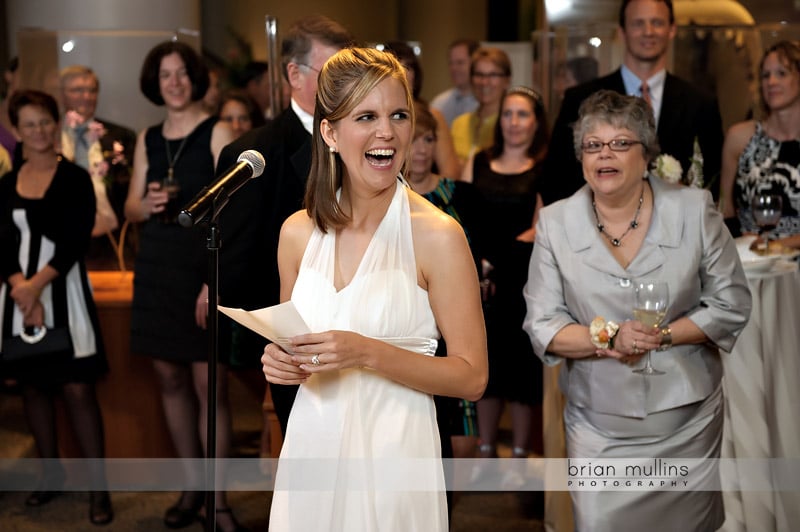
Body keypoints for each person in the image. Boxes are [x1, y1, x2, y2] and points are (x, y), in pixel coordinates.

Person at [261, 46, 488, 532]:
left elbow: (472, 378)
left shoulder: (438, 236)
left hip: (396, 455)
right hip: (311, 448)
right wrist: (280, 362)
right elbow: (293, 345)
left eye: (399, 115)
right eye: (366, 116)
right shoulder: (297, 233)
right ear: (330, 132)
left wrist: (367, 353)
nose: (387, 131)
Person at [523, 90, 751, 531]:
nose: (604, 154)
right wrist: (608, 336)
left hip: (687, 422)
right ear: (581, 156)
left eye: (620, 143)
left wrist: (662, 336)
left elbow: (731, 303)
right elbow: (543, 324)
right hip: (598, 426)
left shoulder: (693, 210)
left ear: (646, 153)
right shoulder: (554, 223)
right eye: (593, 145)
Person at [122, 41, 242, 532]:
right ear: (155, 83)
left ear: (194, 79)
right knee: (169, 380)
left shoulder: (217, 132)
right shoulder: (147, 136)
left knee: (207, 386)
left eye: (181, 73)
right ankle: (192, 487)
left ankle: (221, 500)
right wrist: (145, 204)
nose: (173, 82)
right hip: (156, 265)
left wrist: (212, 285)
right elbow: (129, 207)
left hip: (200, 268)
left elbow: (235, 210)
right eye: (164, 75)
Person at [216, 14, 354, 437]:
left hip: (364, 328)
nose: (344, 83)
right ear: (294, 74)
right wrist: (282, 338)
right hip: (297, 338)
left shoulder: (363, 136)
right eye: (331, 71)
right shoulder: (254, 152)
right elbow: (240, 262)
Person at [0, 89, 112, 525]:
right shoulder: (6, 184)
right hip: (16, 297)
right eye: (29, 124)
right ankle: (51, 475)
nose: (40, 131)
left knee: (77, 389)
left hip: (63, 293)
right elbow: (1, 243)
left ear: (55, 124)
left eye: (45, 121)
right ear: (16, 130)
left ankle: (100, 489)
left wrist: (36, 288)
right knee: (33, 387)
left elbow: (73, 241)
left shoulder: (75, 179)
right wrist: (19, 288)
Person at [540, 0, 724, 206]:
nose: (648, 31)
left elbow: (713, 182)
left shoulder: (701, 104)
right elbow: (556, 179)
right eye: (638, 23)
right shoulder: (580, 100)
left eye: (657, 22)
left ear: (672, 30)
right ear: (621, 32)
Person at [461, 86, 547, 462]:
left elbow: (539, 226)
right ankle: (484, 447)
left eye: (523, 114)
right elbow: (458, 215)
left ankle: (518, 451)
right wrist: (477, 260)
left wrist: (496, 259)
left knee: (522, 369)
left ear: (537, 122)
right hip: (477, 278)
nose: (514, 122)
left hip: (522, 279)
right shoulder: (477, 160)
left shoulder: (544, 167)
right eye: (508, 114)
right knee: (485, 362)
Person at [406, 100, 485, 463]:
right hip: (411, 327)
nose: (421, 151)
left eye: (427, 140)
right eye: (413, 141)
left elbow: (480, 256)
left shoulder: (462, 195)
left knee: (462, 444)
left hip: (456, 323)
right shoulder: (387, 204)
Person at [721, 40, 800, 245]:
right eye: (766, 75)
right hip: (751, 265)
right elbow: (724, 211)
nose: (771, 82)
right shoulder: (739, 137)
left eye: (782, 73)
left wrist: (775, 247)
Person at [58, 65, 137, 270]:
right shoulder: (50, 137)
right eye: (77, 90)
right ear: (62, 95)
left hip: (111, 241)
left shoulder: (121, 137)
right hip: (61, 240)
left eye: (92, 90)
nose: (87, 96)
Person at [383, 41, 461, 179]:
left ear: (415, 74)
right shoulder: (377, 118)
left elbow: (450, 173)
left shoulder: (432, 116)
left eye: (407, 67)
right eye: (394, 67)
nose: (402, 73)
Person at [450, 47, 511, 166]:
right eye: (479, 74)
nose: (484, 82)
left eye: (493, 75)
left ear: (507, 80)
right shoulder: (459, 123)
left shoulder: (510, 126)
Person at [430, 38, 480, 127]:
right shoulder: (439, 104)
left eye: (460, 62)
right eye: (451, 63)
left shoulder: (485, 104)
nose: (453, 68)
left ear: (476, 64)